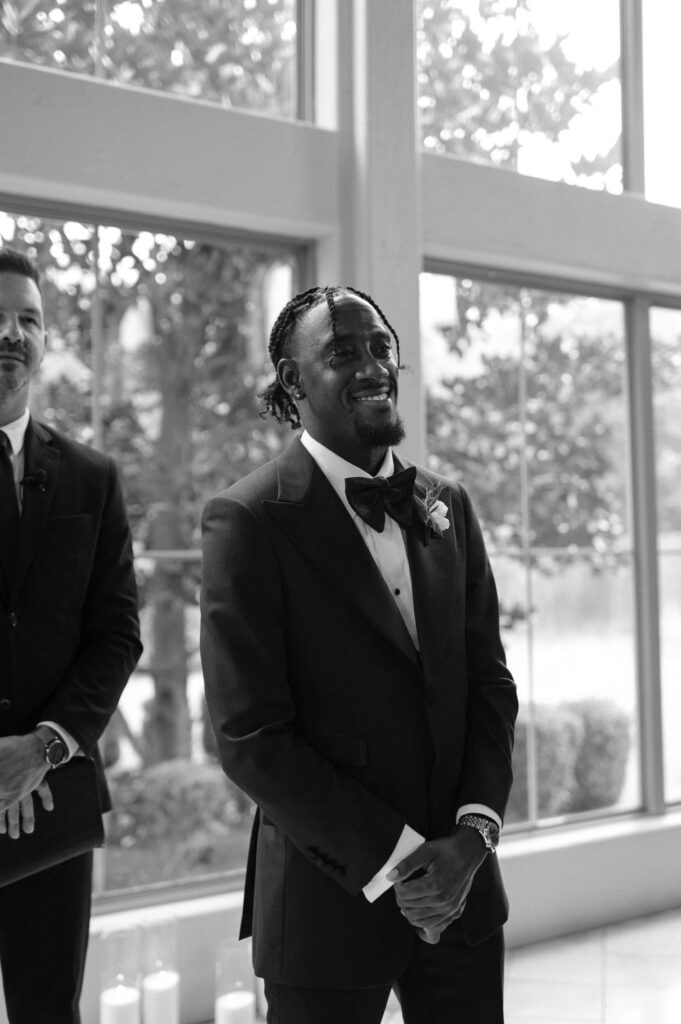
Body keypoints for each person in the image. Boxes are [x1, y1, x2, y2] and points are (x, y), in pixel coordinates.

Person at [200, 285, 517, 1024]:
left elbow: (489, 683)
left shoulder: (450, 504)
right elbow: (250, 738)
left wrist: (471, 839)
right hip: (326, 904)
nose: (373, 364)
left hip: (463, 892)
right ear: (292, 381)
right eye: (343, 352)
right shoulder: (246, 521)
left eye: (381, 347)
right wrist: (405, 861)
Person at [0, 246, 142, 1024]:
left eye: (28, 319)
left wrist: (43, 747)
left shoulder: (93, 477)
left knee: (49, 1011)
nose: (11, 334)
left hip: (54, 794)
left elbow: (116, 634)